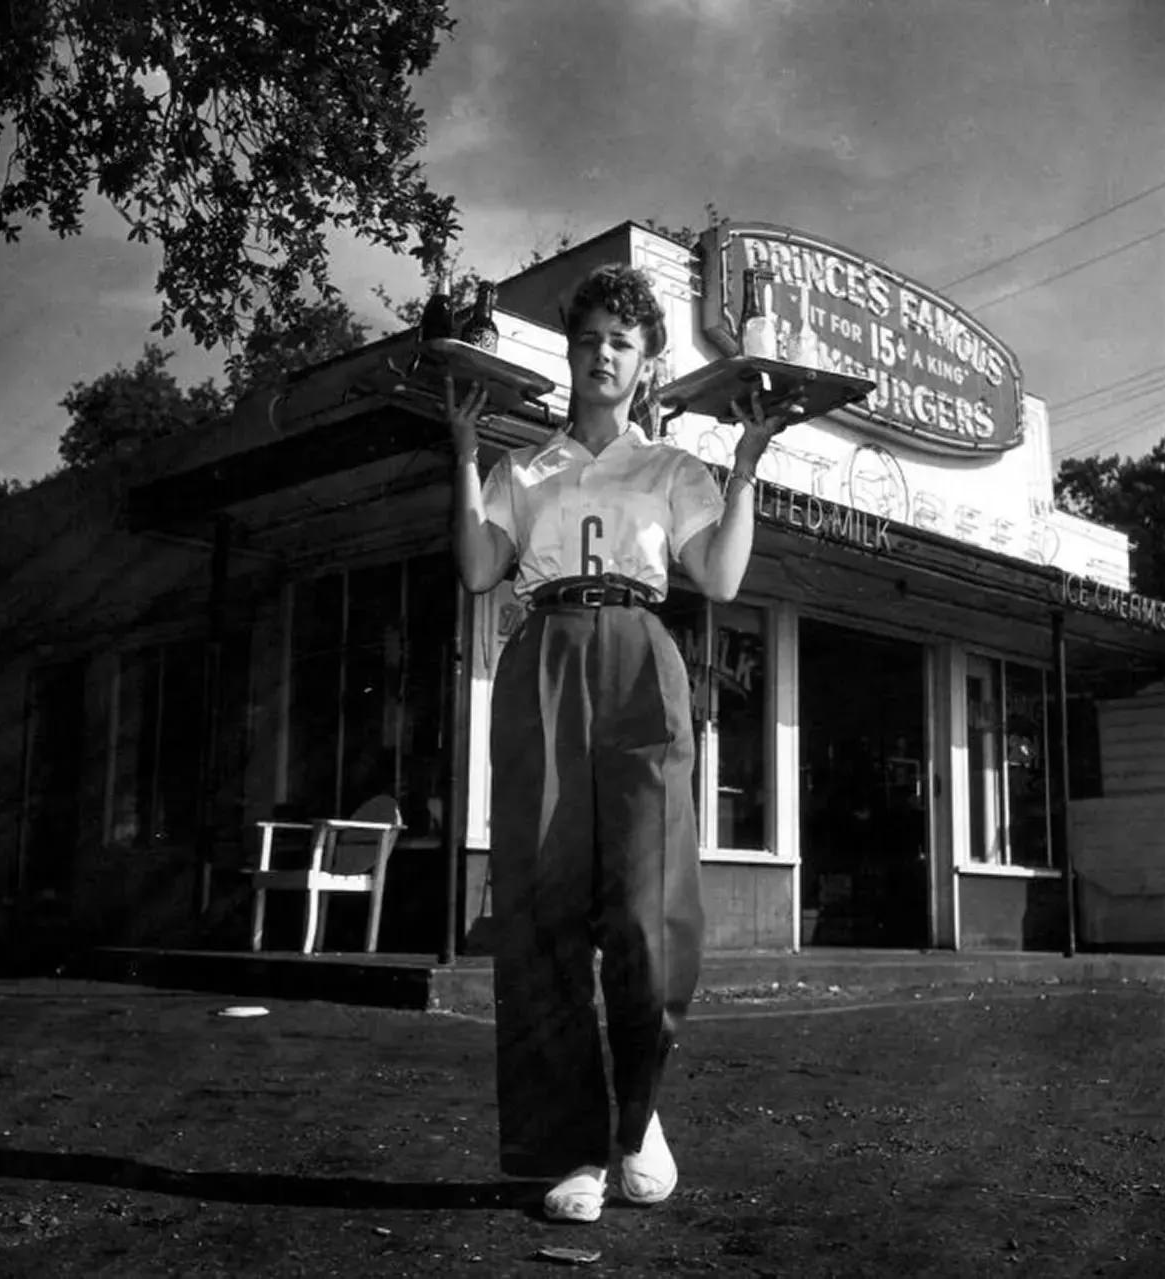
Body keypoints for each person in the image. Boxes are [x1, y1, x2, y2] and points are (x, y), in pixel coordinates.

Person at [446, 263, 783, 1224]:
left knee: (650, 911)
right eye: (590, 337)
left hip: (640, 659)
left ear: (645, 366)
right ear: (572, 351)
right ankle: (569, 1151)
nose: (603, 353)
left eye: (622, 343)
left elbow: (717, 578)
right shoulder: (528, 468)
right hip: (545, 655)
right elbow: (478, 566)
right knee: (546, 909)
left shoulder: (672, 471)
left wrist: (746, 463)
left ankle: (637, 1119)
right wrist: (465, 450)